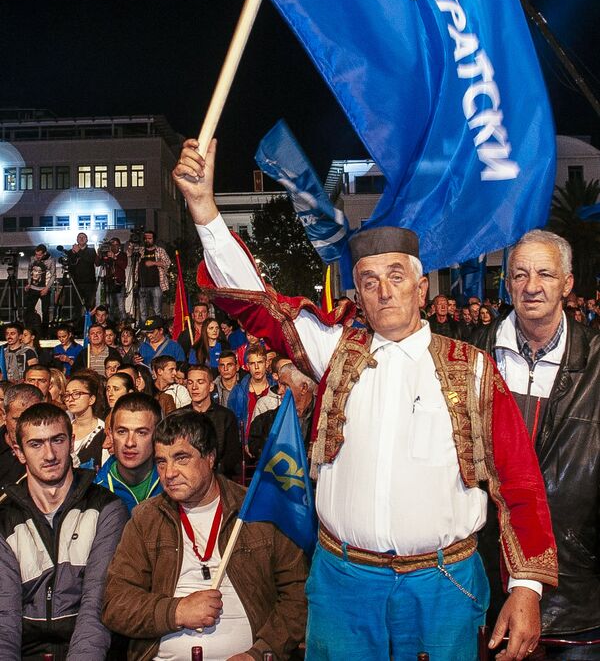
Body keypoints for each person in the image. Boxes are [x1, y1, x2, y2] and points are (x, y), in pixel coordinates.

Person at [172, 137, 559, 661]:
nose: (384, 291)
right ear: (357, 291)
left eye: (397, 277)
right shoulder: (333, 349)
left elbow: (521, 482)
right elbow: (257, 303)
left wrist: (527, 589)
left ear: (421, 289)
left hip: (443, 586)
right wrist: (205, 210)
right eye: (369, 281)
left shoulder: (472, 369)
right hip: (343, 584)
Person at [475, 229, 600, 659]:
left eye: (545, 274)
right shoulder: (471, 356)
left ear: (567, 284)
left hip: (576, 594)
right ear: (507, 283)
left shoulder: (599, 360)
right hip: (485, 583)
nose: (531, 287)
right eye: (520, 274)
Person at [102, 409, 308, 660]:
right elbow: (116, 604)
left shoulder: (256, 511)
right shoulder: (146, 519)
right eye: (161, 461)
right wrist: (177, 611)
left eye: (181, 458)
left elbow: (297, 594)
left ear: (210, 457)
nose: (169, 473)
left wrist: (260, 652)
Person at [0, 402, 128, 659]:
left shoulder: (106, 508)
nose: (49, 455)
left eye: (57, 440)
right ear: (19, 452)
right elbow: (5, 617)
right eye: (36, 444)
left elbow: (96, 604)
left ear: (71, 442)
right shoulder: (5, 519)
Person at [95, 392, 163, 515]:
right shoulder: (95, 491)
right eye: (122, 432)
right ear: (110, 434)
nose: (130, 442)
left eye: (141, 432)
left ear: (157, 435)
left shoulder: (172, 483)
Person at [248, 362, 316, 460]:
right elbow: (257, 448)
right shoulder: (263, 423)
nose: (279, 391)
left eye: (285, 385)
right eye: (280, 384)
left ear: (304, 388)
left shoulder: (323, 420)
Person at [186, 365, 241, 477]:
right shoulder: (180, 417)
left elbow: (232, 455)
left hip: (218, 477)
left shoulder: (226, 416)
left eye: (200, 382)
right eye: (190, 383)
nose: (194, 387)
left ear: (211, 386)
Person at [0, 383, 43, 497]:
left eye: (32, 419)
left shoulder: (52, 451)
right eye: (18, 419)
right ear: (4, 414)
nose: (24, 427)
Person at [228, 343, 274, 446]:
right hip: (244, 446)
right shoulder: (237, 392)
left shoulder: (276, 390)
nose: (257, 367)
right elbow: (232, 424)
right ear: (248, 366)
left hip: (271, 446)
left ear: (266, 364)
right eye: (253, 363)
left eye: (260, 362)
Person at [65, 374, 105, 469]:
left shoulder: (103, 431)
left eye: (76, 394)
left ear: (91, 399)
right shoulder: (64, 428)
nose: (70, 399)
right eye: (67, 395)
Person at [133, 230, 171, 322]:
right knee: (143, 311)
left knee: (157, 310)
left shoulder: (160, 250)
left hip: (156, 286)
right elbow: (129, 254)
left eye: (149, 238)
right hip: (142, 286)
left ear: (154, 239)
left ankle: (157, 329)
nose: (147, 240)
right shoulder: (140, 251)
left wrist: (153, 263)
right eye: (145, 238)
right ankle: (144, 329)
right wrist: (132, 244)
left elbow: (167, 263)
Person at [24, 243, 56, 334]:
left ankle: (45, 332)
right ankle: (28, 329)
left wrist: (46, 288)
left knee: (45, 311)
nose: (37, 256)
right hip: (33, 288)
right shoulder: (32, 259)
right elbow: (29, 270)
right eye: (36, 254)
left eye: (40, 255)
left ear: (44, 253)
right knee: (29, 309)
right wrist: (29, 284)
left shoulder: (50, 261)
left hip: (44, 288)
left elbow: (53, 276)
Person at [65, 231, 99, 311]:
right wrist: (73, 253)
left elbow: (90, 260)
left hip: (89, 283)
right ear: (76, 239)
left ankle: (90, 322)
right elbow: (70, 266)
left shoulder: (91, 250)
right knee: (77, 306)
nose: (81, 239)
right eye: (79, 237)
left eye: (83, 237)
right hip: (76, 283)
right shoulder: (71, 251)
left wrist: (79, 251)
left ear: (87, 240)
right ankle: (78, 322)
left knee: (90, 306)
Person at [100, 236, 128, 322]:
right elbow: (98, 263)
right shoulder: (106, 255)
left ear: (119, 246)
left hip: (119, 283)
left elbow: (124, 266)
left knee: (121, 307)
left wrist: (114, 258)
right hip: (109, 283)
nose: (114, 246)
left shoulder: (123, 255)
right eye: (112, 244)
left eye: (116, 244)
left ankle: (123, 325)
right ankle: (110, 325)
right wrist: (99, 253)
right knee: (110, 307)